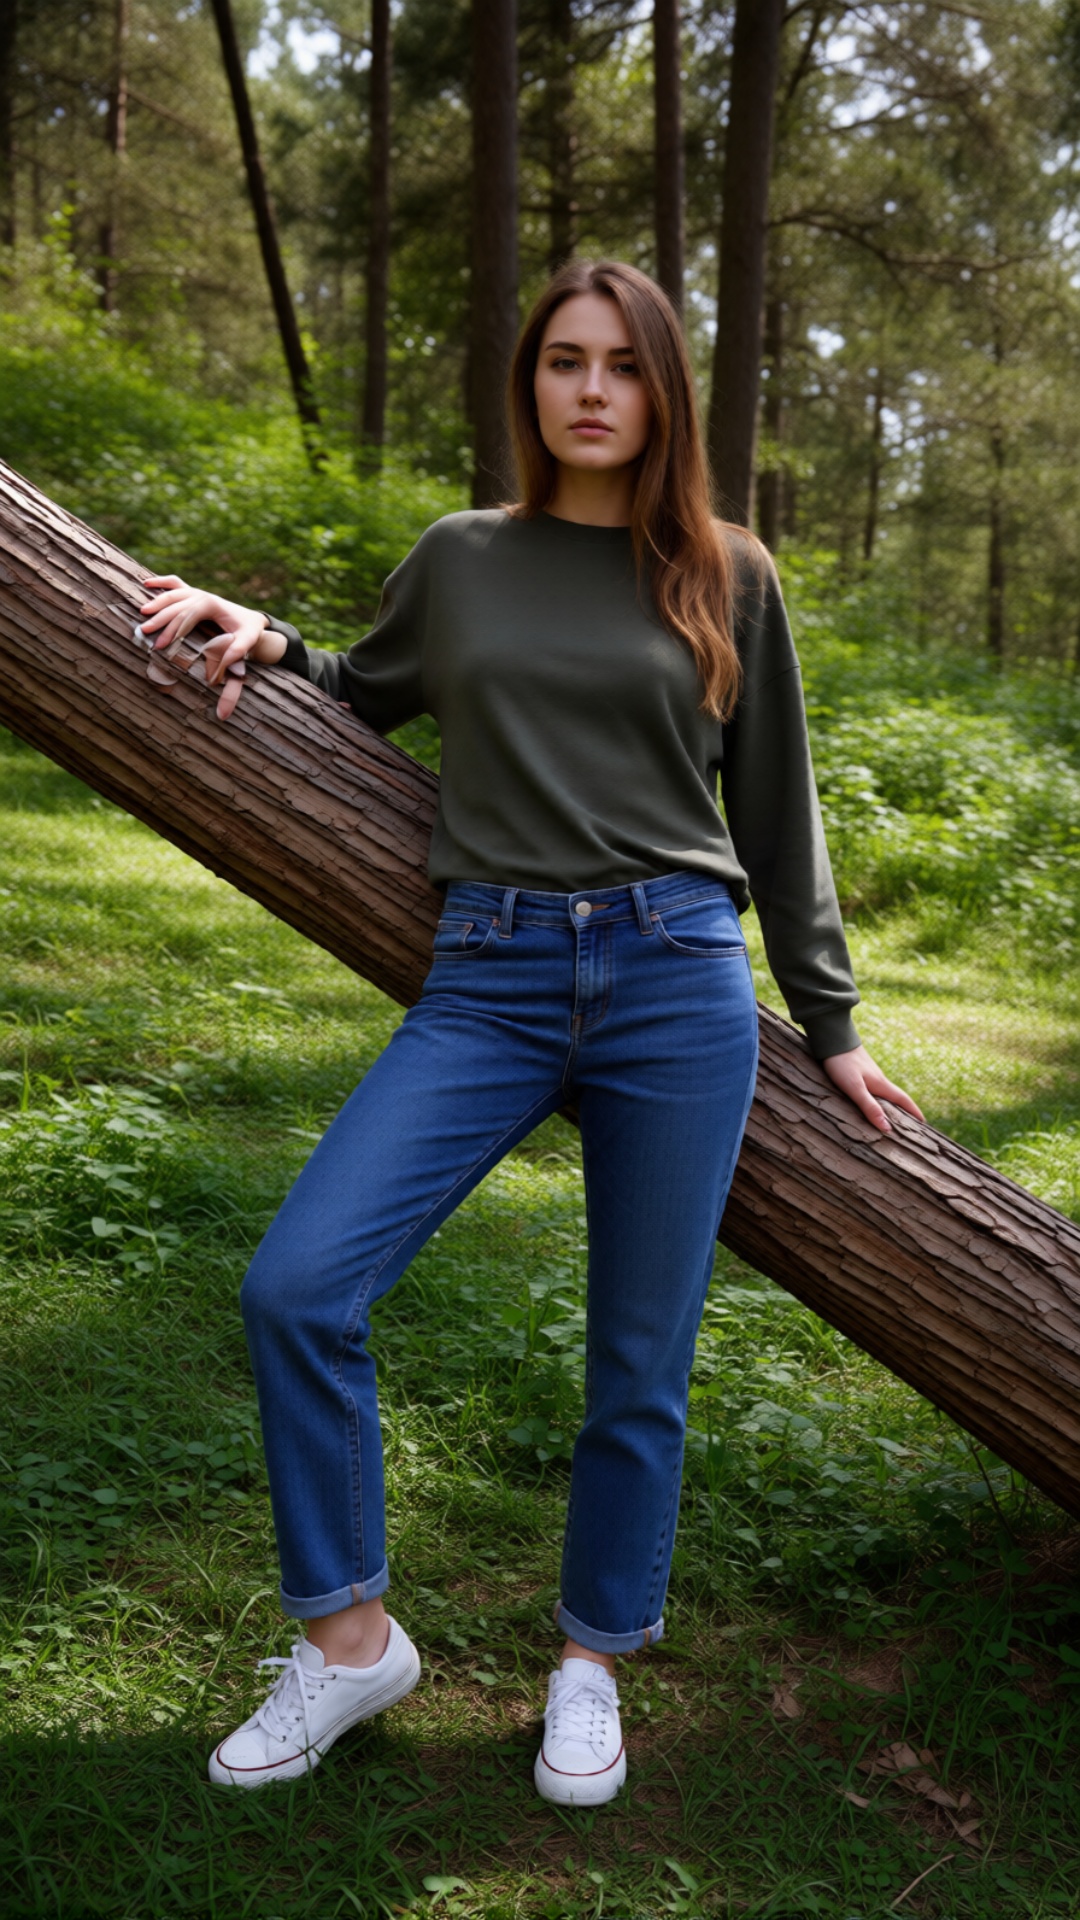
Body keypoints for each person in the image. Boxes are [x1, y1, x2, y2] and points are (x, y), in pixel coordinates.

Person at [139, 259, 921, 1807]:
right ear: (532, 383)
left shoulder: (727, 571)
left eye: (621, 367)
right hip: (489, 971)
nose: (589, 390)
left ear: (664, 393)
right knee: (297, 1283)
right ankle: (352, 1642)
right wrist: (266, 633)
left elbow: (778, 814)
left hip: (678, 978)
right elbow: (363, 691)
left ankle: (590, 1665)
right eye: (564, 361)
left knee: (640, 1357)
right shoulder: (464, 557)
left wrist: (828, 1022)